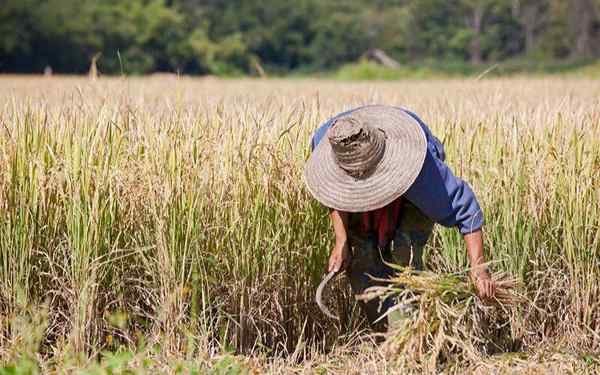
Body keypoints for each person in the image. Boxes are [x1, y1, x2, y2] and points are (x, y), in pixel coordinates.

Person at [303, 105, 497, 332]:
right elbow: (333, 194)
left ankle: (410, 337)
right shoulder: (327, 142)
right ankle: (386, 337)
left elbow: (466, 209)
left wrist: (479, 266)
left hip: (409, 188)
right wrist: (341, 238)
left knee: (403, 260)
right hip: (359, 172)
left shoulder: (421, 171)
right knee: (362, 262)